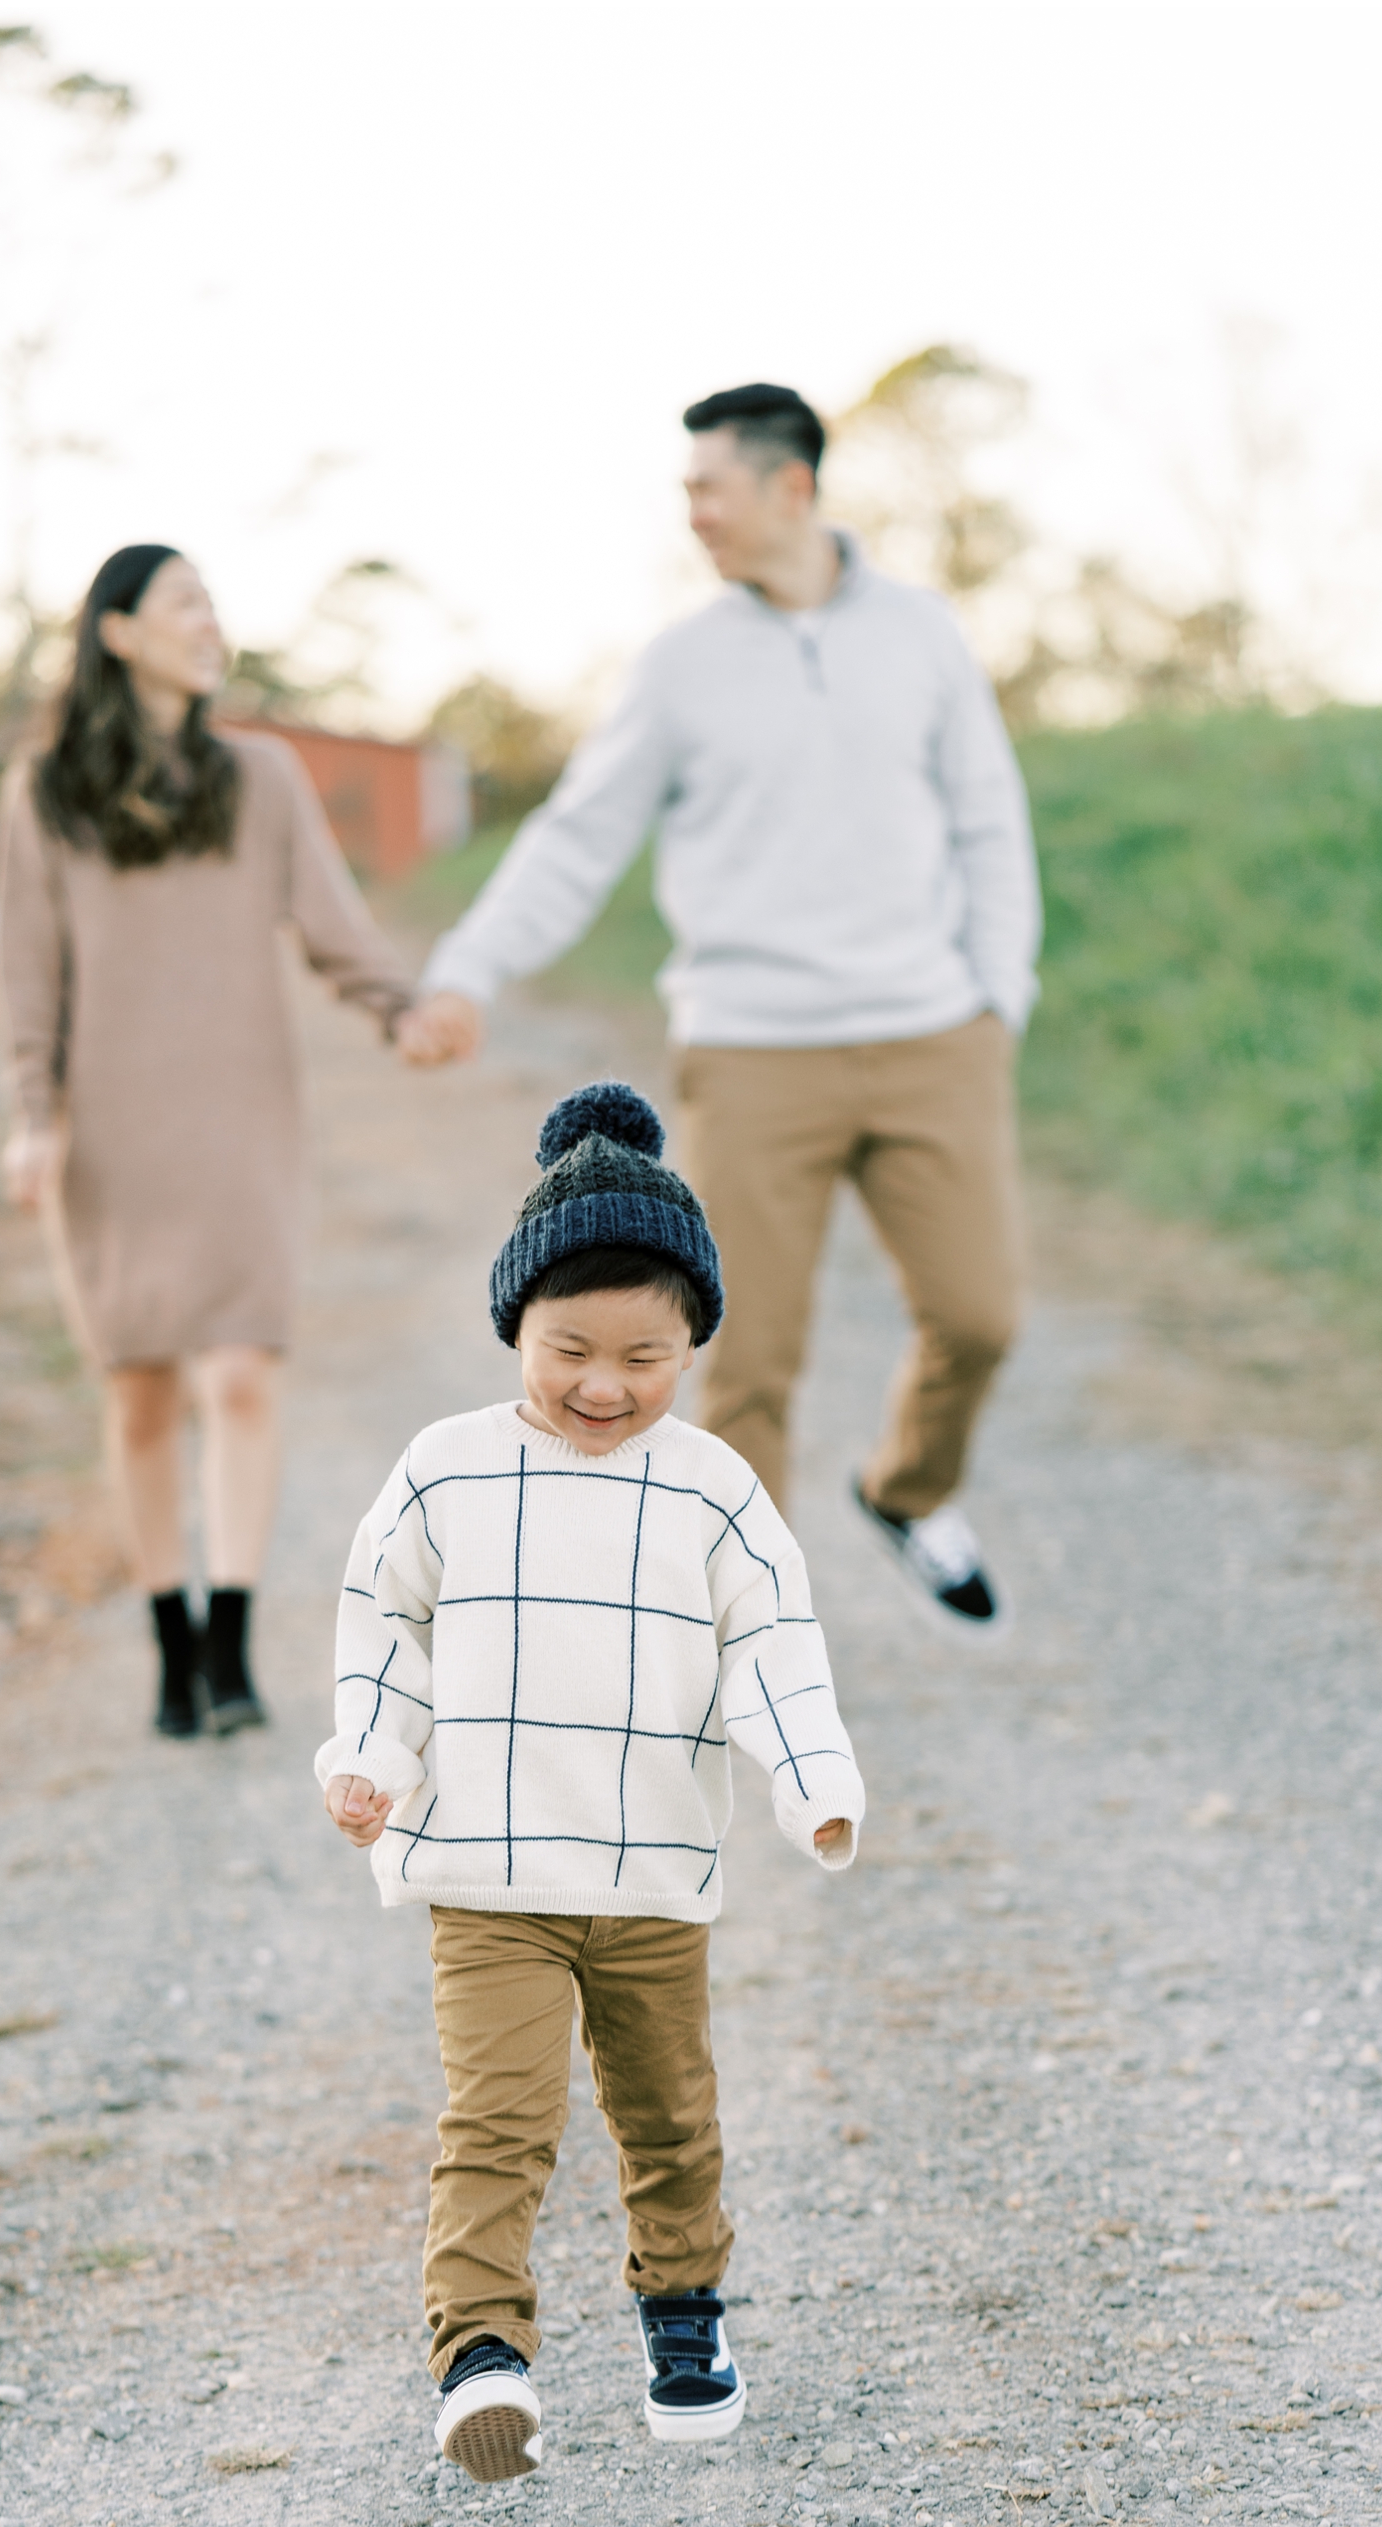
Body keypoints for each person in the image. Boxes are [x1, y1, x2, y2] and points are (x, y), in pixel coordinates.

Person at [398, 383, 1042, 1639]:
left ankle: (906, 1490)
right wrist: (466, 968)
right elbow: (576, 838)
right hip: (753, 1052)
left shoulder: (920, 636)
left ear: (789, 487)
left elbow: (988, 825)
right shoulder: (681, 667)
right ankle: (748, 1637)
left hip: (931, 1036)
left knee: (979, 1313)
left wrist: (993, 1000)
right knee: (744, 1364)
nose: (691, 512)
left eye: (710, 487)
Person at [317, 1080, 865, 2480]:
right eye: (570, 1349)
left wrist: (814, 1786)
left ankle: (684, 2315)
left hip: (649, 1878)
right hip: (488, 1876)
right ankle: (479, 2355)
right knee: (495, 2119)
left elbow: (775, 1648)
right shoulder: (447, 1475)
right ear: (516, 1328)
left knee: (669, 2113)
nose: (606, 1385)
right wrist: (371, 1762)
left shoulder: (714, 1490)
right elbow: (386, 1632)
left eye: (646, 1354)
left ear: (692, 1345)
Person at [0, 542, 416, 1739]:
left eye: (213, 603)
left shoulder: (262, 777)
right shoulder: (41, 794)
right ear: (117, 631)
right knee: (138, 1393)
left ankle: (230, 1647)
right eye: (184, 602)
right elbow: (27, 974)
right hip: (111, 1128)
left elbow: (336, 931)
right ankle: (167, 1641)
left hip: (240, 1114)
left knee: (239, 1368)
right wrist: (34, 1119)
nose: (208, 621)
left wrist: (407, 1009)